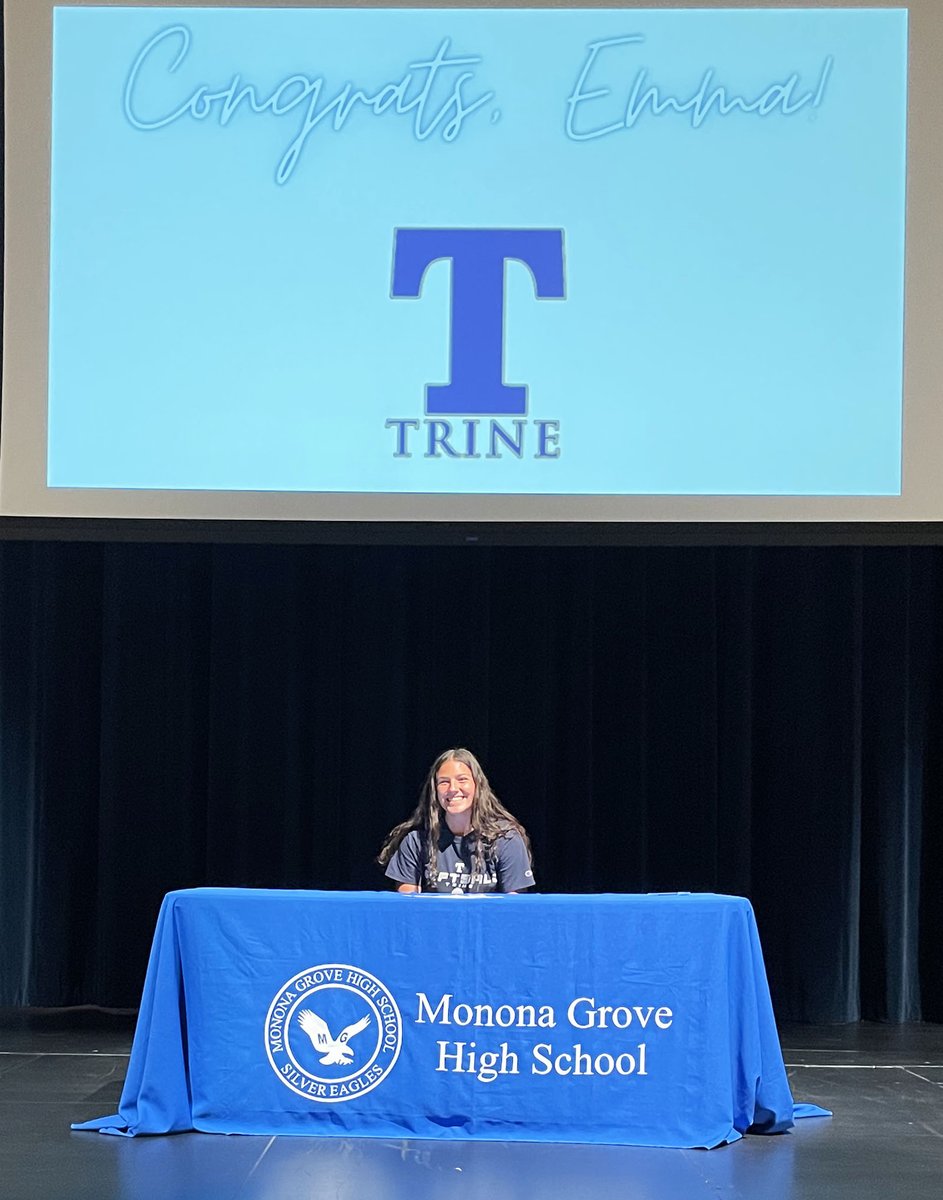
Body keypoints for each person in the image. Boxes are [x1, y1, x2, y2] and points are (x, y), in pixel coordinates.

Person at [378, 748, 534, 893]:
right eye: (444, 782)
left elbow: (514, 908)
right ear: (435, 790)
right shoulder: (416, 842)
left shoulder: (506, 840)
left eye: (462, 779)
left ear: (478, 785)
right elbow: (408, 907)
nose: (452, 788)